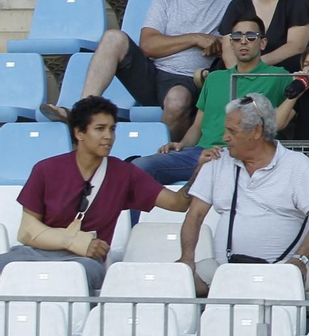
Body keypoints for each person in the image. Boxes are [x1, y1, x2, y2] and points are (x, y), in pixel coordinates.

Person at [42, 0, 232, 139]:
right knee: (113, 37)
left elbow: (234, 47)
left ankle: (164, 157)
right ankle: (83, 112)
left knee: (177, 99)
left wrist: (217, 44)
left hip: (196, 81)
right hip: (155, 74)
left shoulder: (230, 2)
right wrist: (195, 38)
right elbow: (148, 45)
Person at [0, 96, 188, 291]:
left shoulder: (125, 173)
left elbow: (178, 203)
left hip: (85, 260)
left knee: (76, 275)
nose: (108, 136)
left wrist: (199, 172)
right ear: (79, 133)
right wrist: (75, 241)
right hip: (37, 253)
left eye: (112, 129)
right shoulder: (46, 169)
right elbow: (28, 230)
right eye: (100, 129)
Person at [177, 92, 309, 296]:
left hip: (284, 270)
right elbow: (194, 215)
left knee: (286, 280)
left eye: (232, 131)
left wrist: (300, 260)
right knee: (177, 280)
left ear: (257, 131)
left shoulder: (296, 164)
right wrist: (187, 257)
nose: (224, 138)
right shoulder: (216, 161)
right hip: (223, 270)